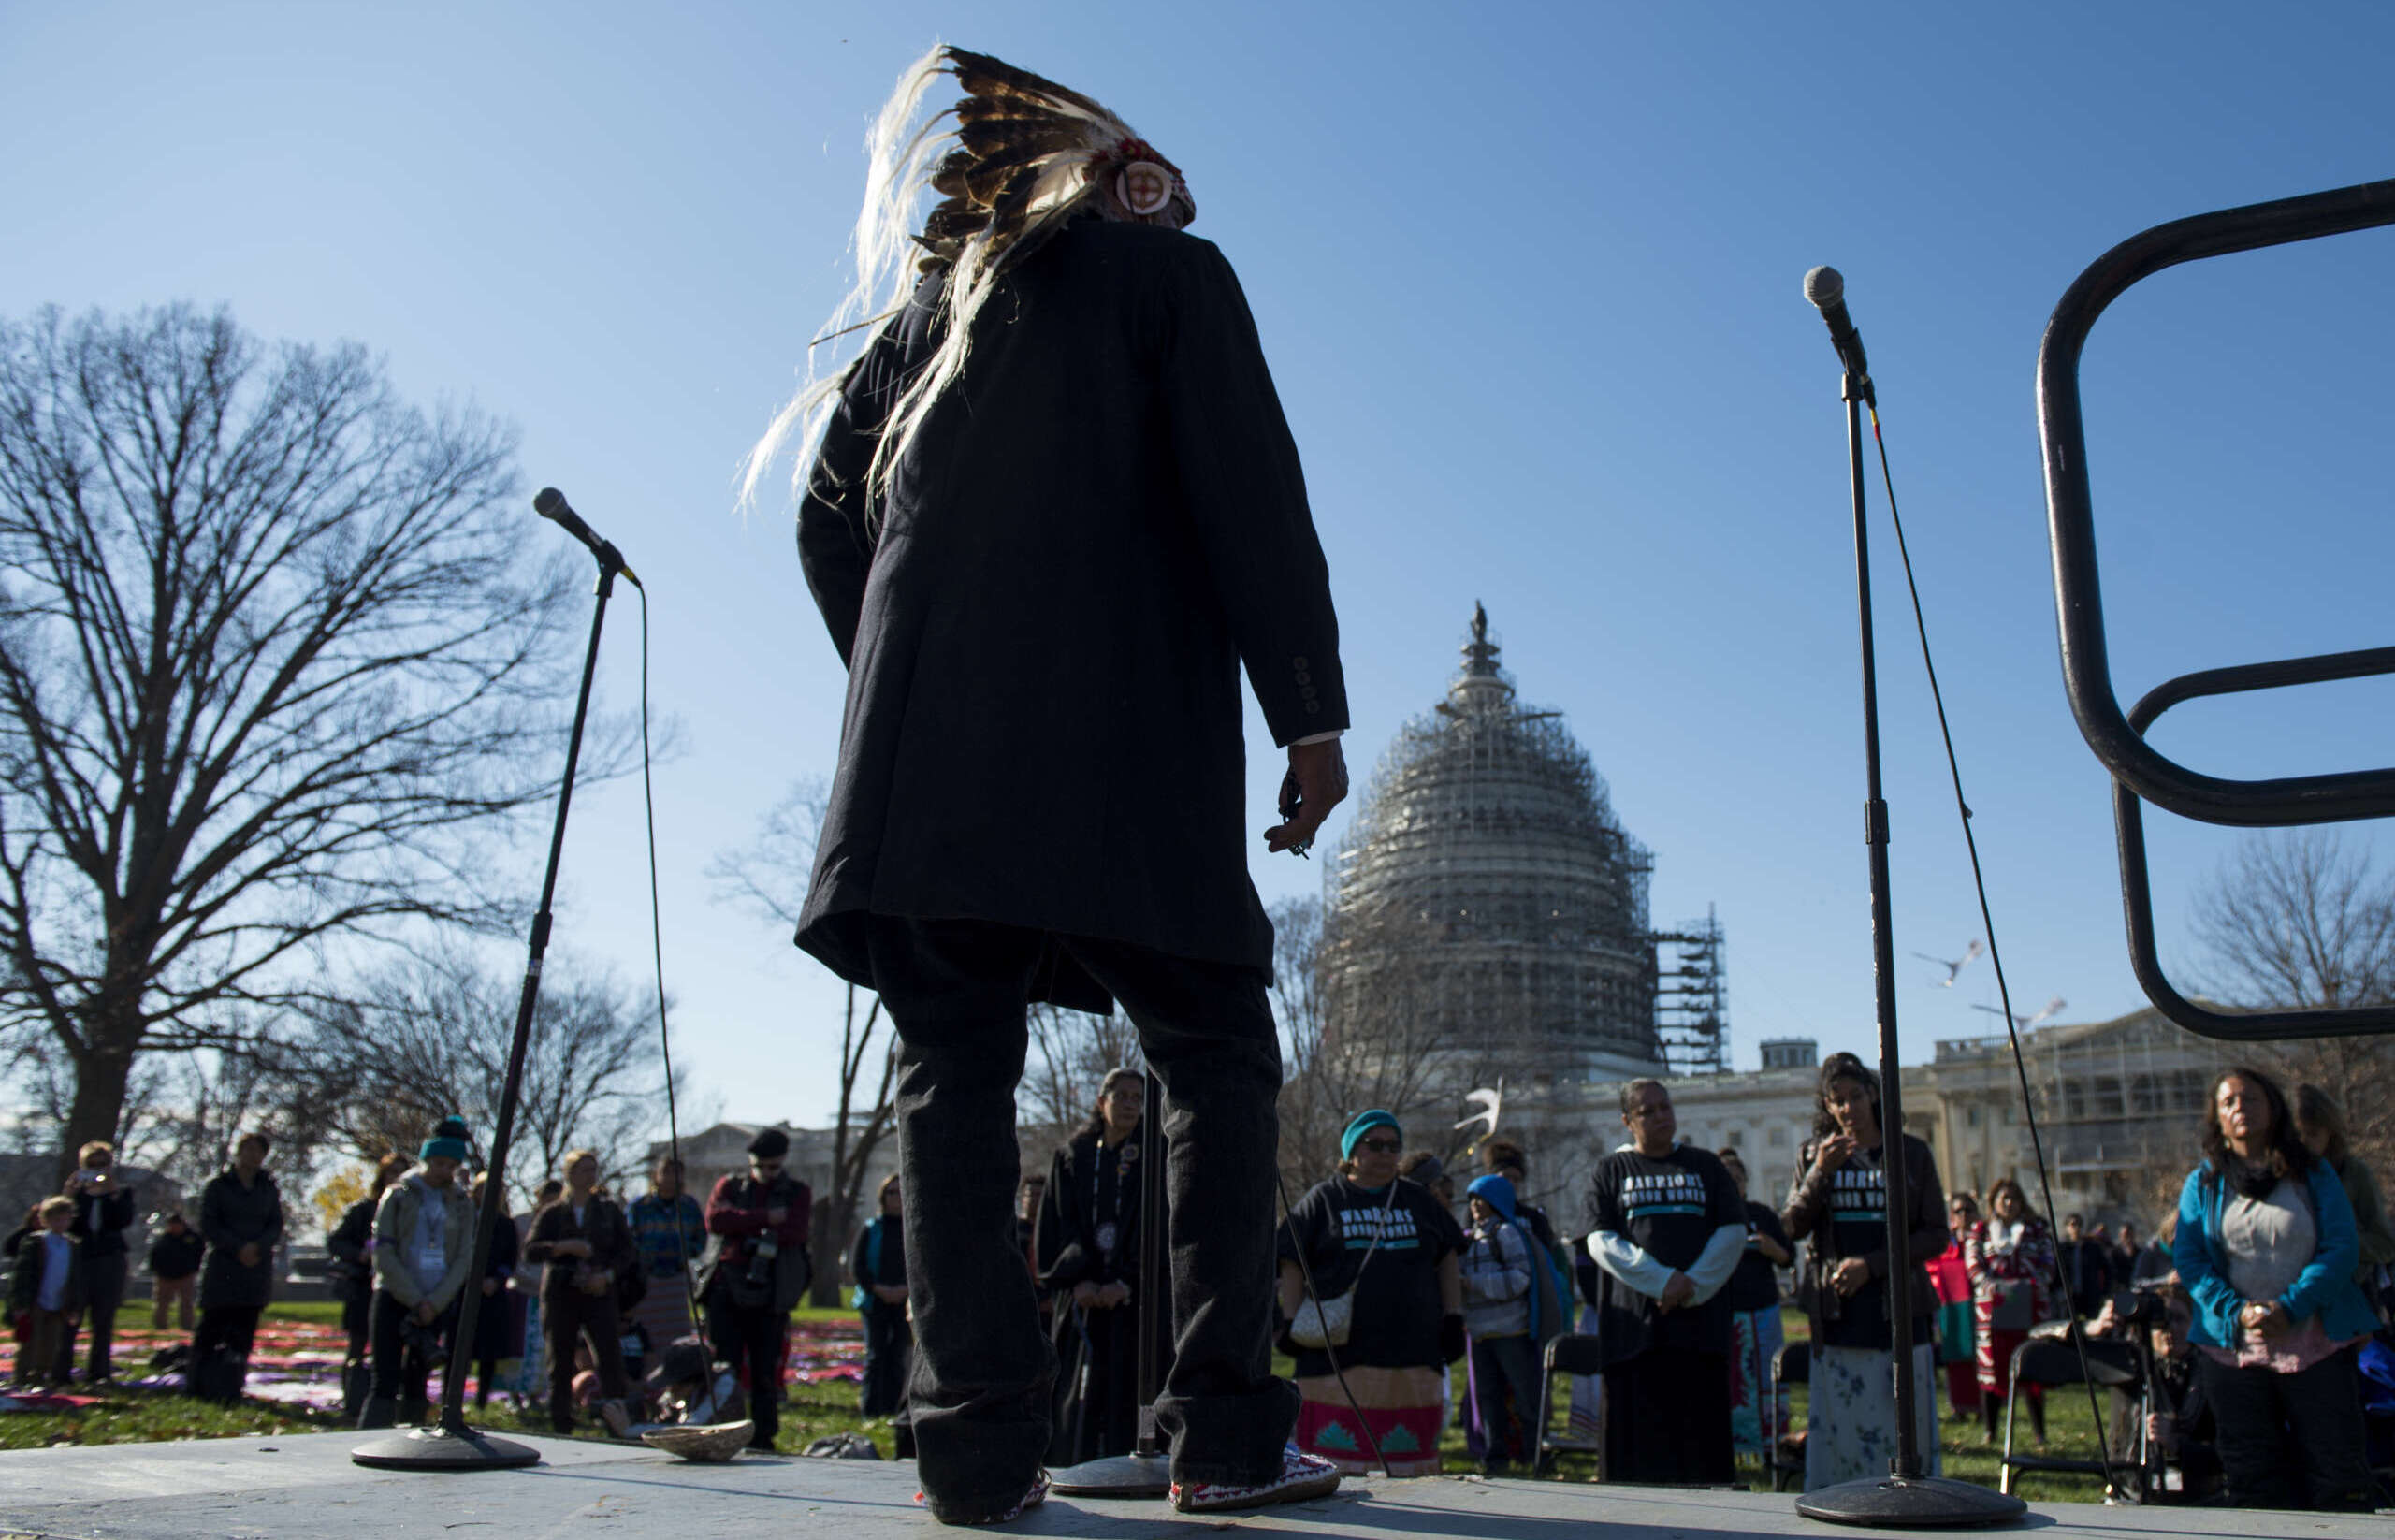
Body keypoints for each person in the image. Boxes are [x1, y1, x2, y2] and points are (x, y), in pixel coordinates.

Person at [768, 42, 1349, 1525]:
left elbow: (824, 530)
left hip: (928, 773)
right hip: (1124, 752)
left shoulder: (921, 326)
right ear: (1107, 178)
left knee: (948, 1063)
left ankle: (972, 1446)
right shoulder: (1172, 283)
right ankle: (1221, 1434)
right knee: (1211, 1044)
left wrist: (906, 689)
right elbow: (1252, 496)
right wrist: (1310, 717)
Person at [2171, 1066, 2380, 1511]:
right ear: (2217, 1118)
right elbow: (2190, 1260)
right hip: (2233, 1348)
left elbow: (2341, 1247)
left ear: (2274, 1108)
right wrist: (2237, 1311)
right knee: (2252, 1473)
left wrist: (2291, 1307)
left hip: (2314, 1340)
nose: (2240, 1108)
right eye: (2229, 1102)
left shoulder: (2313, 1174)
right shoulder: (2203, 1184)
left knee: (2336, 1470)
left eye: (2251, 1099)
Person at [1782, 1053, 1945, 1492]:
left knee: (1901, 1420)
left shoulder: (1909, 1153)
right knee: (1842, 1423)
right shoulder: (1815, 1155)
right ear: (1828, 1107)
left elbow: (1936, 1235)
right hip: (1836, 1315)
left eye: (1856, 1096)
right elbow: (1792, 1227)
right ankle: (1842, 1501)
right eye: (1838, 1101)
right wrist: (1820, 1173)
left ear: (1874, 1095)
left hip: (1900, 1309)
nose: (1849, 1107)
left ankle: (1912, 1499)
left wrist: (1871, 1267)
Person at [1278, 1111, 1465, 1477]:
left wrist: (1454, 1318)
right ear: (1351, 1152)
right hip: (1337, 1357)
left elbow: (1448, 1257)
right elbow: (1290, 1260)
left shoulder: (1418, 1200)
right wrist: (1289, 1318)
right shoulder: (1324, 1200)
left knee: (1411, 1469)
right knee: (1334, 1465)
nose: (1385, 1153)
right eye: (1374, 1144)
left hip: (1412, 1353)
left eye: (1394, 1146)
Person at [1586, 1079, 1743, 1486]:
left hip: (1699, 1333)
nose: (1660, 1117)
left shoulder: (1706, 1166)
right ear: (1626, 1121)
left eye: (1665, 1107)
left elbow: (1732, 1232)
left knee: (1701, 1461)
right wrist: (1661, 1281)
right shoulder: (1610, 1171)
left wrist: (1690, 1285)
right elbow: (1601, 1240)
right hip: (1633, 1336)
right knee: (1636, 1466)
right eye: (1647, 1111)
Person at [1037, 1068, 1166, 1465]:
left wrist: (1128, 1282)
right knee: (1075, 1397)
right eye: (1122, 1095)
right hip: (1082, 1302)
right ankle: (1069, 1469)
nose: (1130, 1104)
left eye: (1137, 1098)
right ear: (1101, 1101)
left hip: (1136, 1304)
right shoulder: (1074, 1156)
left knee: (1130, 1397)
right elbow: (1057, 1225)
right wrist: (1075, 1281)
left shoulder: (1156, 1155)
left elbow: (1162, 1227)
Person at [358, 1117, 477, 1430]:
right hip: (395, 1294)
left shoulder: (462, 1203)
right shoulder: (398, 1195)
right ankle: (371, 1434)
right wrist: (413, 1298)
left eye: (451, 1165)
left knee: (418, 1376)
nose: (444, 1171)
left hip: (436, 1298)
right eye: (439, 1163)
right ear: (427, 1159)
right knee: (384, 1375)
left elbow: (464, 1256)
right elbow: (383, 1251)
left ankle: (414, 1436)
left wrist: (435, 1302)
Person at [699, 1127, 810, 1451]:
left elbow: (796, 1230)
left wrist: (747, 1221)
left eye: (773, 1168)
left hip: (771, 1291)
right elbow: (716, 1220)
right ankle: (724, 1428)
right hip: (727, 1288)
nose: (765, 1174)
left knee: (765, 1369)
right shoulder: (730, 1186)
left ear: (783, 1162)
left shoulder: (796, 1191)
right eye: (759, 1167)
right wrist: (764, 1218)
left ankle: (764, 1436)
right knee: (726, 1368)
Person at [524, 1149, 636, 1437]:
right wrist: (563, 1247)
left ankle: (616, 1423)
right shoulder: (553, 1212)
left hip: (598, 1292)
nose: (590, 1175)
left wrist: (606, 1276)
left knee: (609, 1358)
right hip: (561, 1293)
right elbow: (531, 1251)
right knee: (559, 1360)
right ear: (570, 1174)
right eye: (584, 1169)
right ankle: (561, 1425)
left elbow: (627, 1253)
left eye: (593, 1169)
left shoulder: (608, 1210)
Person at [1459, 1172, 1548, 1474]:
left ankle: (1536, 1455)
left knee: (1526, 1397)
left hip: (1511, 1331)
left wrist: (1475, 1284)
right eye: (1471, 1199)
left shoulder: (1507, 1233)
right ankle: (1495, 1458)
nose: (1475, 1205)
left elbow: (1520, 1279)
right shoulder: (1469, 1238)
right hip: (1481, 1334)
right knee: (1488, 1398)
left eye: (1480, 1198)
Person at [190, 1130, 283, 1404]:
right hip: (224, 1265)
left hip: (255, 1267)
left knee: (243, 1331)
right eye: (248, 1149)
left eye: (258, 1151)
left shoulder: (268, 1188)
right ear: (238, 1151)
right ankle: (198, 1384)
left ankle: (231, 1385)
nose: (252, 1156)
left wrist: (258, 1247)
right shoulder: (218, 1186)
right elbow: (209, 1224)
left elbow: (275, 1224)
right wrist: (237, 1247)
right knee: (211, 1328)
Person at [1966, 1176, 2056, 1446]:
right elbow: (1973, 1265)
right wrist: (1991, 1285)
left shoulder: (2036, 1230)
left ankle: (2040, 1433)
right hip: (1993, 1311)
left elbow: (2048, 1263)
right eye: (2003, 1198)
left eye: (2013, 1198)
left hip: (2030, 1309)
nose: (2008, 1203)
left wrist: (2033, 1283)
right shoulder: (1980, 1230)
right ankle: (1991, 1431)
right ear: (1993, 1202)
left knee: (2032, 1365)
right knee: (1992, 1368)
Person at [1718, 1148, 1793, 1460]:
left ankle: (1772, 1443)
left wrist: (1772, 1248)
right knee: (1733, 1381)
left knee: (1767, 1376)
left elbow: (1788, 1258)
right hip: (1728, 1313)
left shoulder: (1762, 1215)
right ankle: (1734, 1445)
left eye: (1737, 1178)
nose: (1733, 1185)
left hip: (1763, 1310)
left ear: (1745, 1182)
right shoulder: (1712, 1220)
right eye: (1726, 1179)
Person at [329, 1152, 412, 1416]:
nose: (396, 1178)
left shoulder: (412, 1215)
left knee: (392, 1349)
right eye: (391, 1172)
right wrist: (360, 1254)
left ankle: (389, 1401)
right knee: (357, 1344)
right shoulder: (362, 1211)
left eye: (401, 1173)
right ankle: (352, 1400)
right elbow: (336, 1241)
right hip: (363, 1288)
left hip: (397, 1290)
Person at [2293, 1083, 2395, 1296]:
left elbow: (2385, 1244)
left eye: (2312, 1134)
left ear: (2330, 1134)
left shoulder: (2353, 1173)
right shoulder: (2269, 1177)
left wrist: (2338, 1243)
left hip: (2345, 1294)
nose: (2303, 1143)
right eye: (2296, 1134)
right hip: (2287, 1294)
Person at [60, 1140, 134, 1383]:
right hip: (80, 1260)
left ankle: (99, 1371)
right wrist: (68, 1196)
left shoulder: (121, 1193)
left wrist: (113, 1194)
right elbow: (64, 1224)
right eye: (91, 1165)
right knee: (71, 1314)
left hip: (109, 1260)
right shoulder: (76, 1196)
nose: (98, 1169)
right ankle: (61, 1370)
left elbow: (123, 1221)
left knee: (104, 1318)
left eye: (102, 1164)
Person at [627, 1157, 705, 1353]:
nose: (671, 1178)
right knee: (649, 1333)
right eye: (666, 1172)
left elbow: (701, 1237)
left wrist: (685, 1252)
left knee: (678, 1333)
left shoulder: (689, 1206)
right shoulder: (640, 1206)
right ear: (656, 1176)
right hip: (648, 1280)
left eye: (676, 1172)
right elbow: (629, 1238)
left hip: (676, 1277)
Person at [850, 1173, 910, 1419]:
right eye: (891, 1192)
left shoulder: (913, 1228)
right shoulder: (871, 1228)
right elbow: (857, 1266)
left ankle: (894, 1408)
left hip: (905, 1301)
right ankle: (871, 1409)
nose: (896, 1197)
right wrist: (879, 1289)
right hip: (875, 1300)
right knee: (875, 1355)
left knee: (898, 1356)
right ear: (882, 1197)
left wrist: (905, 1290)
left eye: (900, 1192)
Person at [8, 1197, 84, 1387]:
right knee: (29, 1342)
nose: (61, 1223)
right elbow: (23, 1274)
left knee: (51, 1344)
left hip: (59, 1302)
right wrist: (20, 1303)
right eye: (57, 1219)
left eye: (65, 1219)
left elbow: (75, 1279)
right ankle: (21, 1377)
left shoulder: (72, 1245)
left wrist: (74, 1306)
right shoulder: (35, 1242)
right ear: (46, 1220)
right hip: (36, 1300)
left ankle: (40, 1376)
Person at [466, 1171, 521, 1409]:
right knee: (462, 1347)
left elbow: (511, 1259)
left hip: (493, 1292)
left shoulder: (507, 1225)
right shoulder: (467, 1219)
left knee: (489, 1349)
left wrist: (497, 1280)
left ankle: (481, 1401)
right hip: (466, 1291)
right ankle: (452, 1397)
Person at [1928, 1191, 1983, 1419]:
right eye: (1958, 1211)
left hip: (1979, 1303)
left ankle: (1983, 1406)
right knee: (1956, 1356)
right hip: (1952, 1306)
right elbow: (1932, 1265)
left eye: (1967, 1210)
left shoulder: (1983, 1237)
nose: (1963, 1215)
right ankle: (1959, 1407)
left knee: (1979, 1356)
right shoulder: (1945, 1241)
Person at [146, 1211, 202, 1331]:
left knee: (186, 1303)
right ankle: (161, 1325)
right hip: (165, 1275)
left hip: (185, 1275)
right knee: (162, 1302)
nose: (174, 1227)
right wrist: (155, 1269)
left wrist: (194, 1268)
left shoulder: (192, 1237)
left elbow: (199, 1252)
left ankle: (187, 1325)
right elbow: (154, 1255)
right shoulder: (163, 1238)